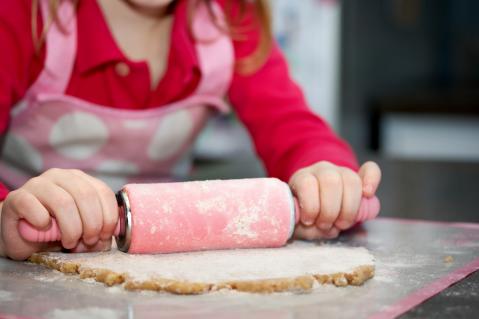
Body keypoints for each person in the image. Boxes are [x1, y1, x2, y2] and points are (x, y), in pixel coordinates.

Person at [0, 0, 381, 261]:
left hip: (160, 252)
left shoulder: (226, 18)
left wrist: (325, 176)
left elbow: (291, 125)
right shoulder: (27, 15)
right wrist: (6, 219)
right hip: (41, 245)